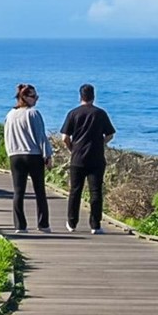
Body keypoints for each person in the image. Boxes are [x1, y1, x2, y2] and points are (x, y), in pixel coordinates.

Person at [60, 83, 116, 235]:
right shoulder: (100, 113)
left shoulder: (73, 113)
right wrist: (101, 144)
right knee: (96, 191)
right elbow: (110, 134)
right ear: (93, 96)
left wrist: (72, 148)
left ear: (80, 96)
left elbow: (65, 137)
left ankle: (72, 223)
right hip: (96, 158)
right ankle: (95, 224)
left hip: (77, 157)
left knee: (75, 191)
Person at [3, 83, 53, 234]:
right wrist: (47, 155)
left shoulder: (10, 115)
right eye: (33, 96)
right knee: (39, 190)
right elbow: (40, 136)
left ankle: (20, 225)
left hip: (15, 155)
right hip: (33, 155)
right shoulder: (33, 113)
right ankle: (43, 224)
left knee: (18, 191)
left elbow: (6, 136)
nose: (36, 99)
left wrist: (10, 152)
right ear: (24, 97)